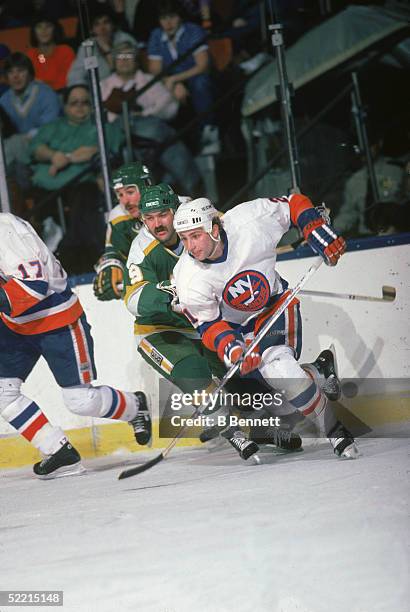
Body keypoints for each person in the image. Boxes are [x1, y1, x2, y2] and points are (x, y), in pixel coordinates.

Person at [172, 194, 359, 459]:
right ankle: (319, 372)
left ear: (214, 229)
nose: (190, 247)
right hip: (239, 330)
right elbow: (210, 326)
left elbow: (294, 203)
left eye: (195, 236)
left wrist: (314, 228)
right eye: (184, 239)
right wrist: (232, 349)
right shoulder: (187, 277)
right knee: (275, 401)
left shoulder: (250, 221)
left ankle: (335, 431)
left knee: (280, 370)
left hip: (275, 307)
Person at [0, 212, 152, 479]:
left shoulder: (4, 230)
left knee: (80, 401)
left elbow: (34, 286)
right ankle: (59, 451)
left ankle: (133, 406)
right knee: (2, 393)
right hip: (15, 325)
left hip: (55, 320)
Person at [29, 84, 124, 270]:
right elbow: (36, 148)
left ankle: (74, 260)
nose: (80, 107)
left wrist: (66, 158)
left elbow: (99, 151)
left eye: (85, 102)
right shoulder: (53, 127)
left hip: (82, 187)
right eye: (74, 103)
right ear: (65, 107)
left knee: (85, 199)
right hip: (46, 190)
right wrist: (53, 156)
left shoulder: (100, 127)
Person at [100, 41, 201, 194]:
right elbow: (103, 116)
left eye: (129, 55)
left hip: (151, 133)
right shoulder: (104, 85)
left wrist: (144, 113)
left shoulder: (148, 80)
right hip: (118, 135)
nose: (124, 59)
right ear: (113, 61)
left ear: (136, 59)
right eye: (120, 56)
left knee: (160, 133)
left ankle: (193, 190)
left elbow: (169, 107)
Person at [147, 0, 220, 154]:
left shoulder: (193, 30)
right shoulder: (156, 35)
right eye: (163, 18)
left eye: (172, 17)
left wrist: (175, 79)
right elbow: (155, 71)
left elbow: (202, 66)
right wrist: (172, 83)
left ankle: (209, 132)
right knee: (155, 89)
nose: (168, 23)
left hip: (195, 76)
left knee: (201, 83)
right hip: (170, 81)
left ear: (180, 17)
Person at [93, 161, 153, 301]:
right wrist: (111, 265)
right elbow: (113, 253)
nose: (125, 201)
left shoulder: (180, 206)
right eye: (120, 195)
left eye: (130, 192)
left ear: (147, 186)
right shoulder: (118, 216)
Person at [0, 53, 61, 184]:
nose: (16, 77)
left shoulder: (46, 93)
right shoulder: (3, 100)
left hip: (44, 149)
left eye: (21, 71)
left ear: (30, 73)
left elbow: (51, 128)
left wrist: (27, 138)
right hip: (16, 154)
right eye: (11, 72)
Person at [67, 6, 140, 86]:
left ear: (113, 25)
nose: (102, 28)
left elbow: (125, 71)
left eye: (106, 22)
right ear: (92, 30)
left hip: (128, 86)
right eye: (97, 24)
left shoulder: (125, 39)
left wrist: (107, 51)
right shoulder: (87, 47)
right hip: (97, 92)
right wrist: (80, 89)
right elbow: (75, 76)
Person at [26, 17, 75, 91]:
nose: (43, 31)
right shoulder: (31, 54)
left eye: (48, 26)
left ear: (55, 29)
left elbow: (68, 80)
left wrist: (42, 84)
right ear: (34, 31)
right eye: (39, 27)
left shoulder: (65, 51)